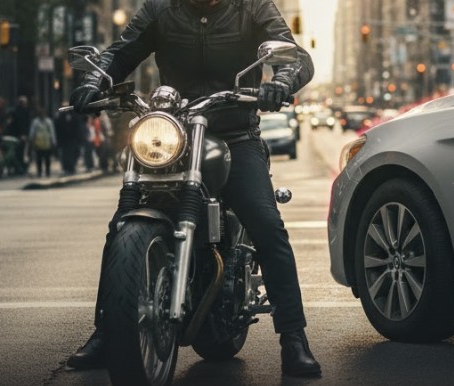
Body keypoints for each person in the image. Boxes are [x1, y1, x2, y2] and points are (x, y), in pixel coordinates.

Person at [65, 0, 319, 377]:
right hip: (176, 133)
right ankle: (108, 331)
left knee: (265, 222)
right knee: (121, 223)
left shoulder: (251, 6)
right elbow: (122, 51)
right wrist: (92, 81)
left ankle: (294, 338)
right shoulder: (160, 9)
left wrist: (281, 81)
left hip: (234, 133)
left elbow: (294, 54)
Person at [28, 105, 57, 178]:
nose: (42, 115)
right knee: (39, 159)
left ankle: (47, 172)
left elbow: (52, 132)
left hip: (47, 143)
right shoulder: (35, 122)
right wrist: (31, 141)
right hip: (38, 143)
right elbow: (32, 132)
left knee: (47, 159)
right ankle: (39, 172)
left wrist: (53, 142)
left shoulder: (48, 122)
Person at [6, 95, 31, 176]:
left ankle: (21, 169)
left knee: (22, 153)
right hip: (19, 136)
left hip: (20, 135)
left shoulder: (22, 111)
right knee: (20, 153)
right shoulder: (18, 112)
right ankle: (20, 169)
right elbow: (20, 125)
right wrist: (23, 134)